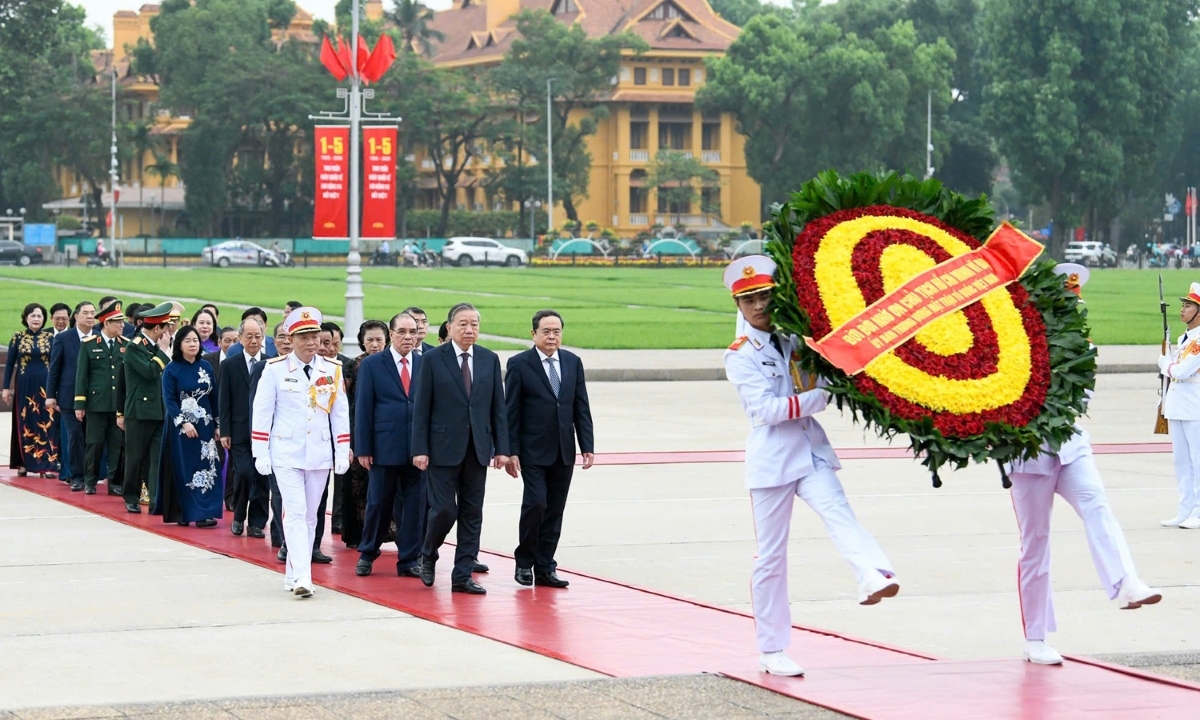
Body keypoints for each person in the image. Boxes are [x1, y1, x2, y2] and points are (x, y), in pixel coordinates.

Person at [723, 256, 898, 678]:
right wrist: (823, 396)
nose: (759, 306)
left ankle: (872, 574)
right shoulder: (741, 355)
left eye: (765, 295)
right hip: (772, 460)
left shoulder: (795, 338)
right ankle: (771, 649)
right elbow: (765, 410)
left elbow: (825, 373)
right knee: (770, 557)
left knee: (839, 512)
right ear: (739, 306)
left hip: (810, 449)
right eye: (749, 300)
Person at [1010, 264, 1162, 666]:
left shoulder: (1085, 347)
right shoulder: (1020, 343)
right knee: (1035, 546)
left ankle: (1126, 582)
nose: (1075, 306)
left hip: (1071, 447)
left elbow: (1082, 400)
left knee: (1098, 505)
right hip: (1028, 456)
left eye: (1077, 300)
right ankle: (1035, 638)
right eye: (1066, 300)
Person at [412, 302, 510, 595]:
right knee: (444, 509)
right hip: (441, 448)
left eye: (474, 325)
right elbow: (422, 408)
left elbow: (498, 408)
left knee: (472, 512)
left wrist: (501, 448)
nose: (469, 330)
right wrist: (420, 449)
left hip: (478, 448)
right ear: (450, 327)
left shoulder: (489, 359)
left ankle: (462, 575)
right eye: (463, 324)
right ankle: (428, 552)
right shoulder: (433, 359)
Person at [252, 307, 350, 598]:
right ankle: (303, 577)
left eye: (315, 336)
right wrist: (261, 452)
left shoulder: (332, 370)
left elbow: (339, 414)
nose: (311, 342)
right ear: (291, 339)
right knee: (293, 512)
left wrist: (342, 451)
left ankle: (294, 573)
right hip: (285, 451)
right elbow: (262, 412)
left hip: (319, 453)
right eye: (304, 337)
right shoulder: (275, 369)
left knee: (310, 517)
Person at [504, 309, 595, 588]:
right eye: (546, 331)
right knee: (536, 504)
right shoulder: (519, 364)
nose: (552, 336)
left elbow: (581, 405)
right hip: (531, 451)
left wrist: (587, 445)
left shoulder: (572, 362)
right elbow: (511, 411)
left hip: (563, 450)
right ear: (533, 334)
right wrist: (511, 451)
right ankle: (524, 562)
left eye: (556, 331)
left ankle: (545, 566)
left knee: (555, 509)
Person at [354, 313, 425, 577]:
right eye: (402, 331)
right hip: (384, 446)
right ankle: (368, 552)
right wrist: (363, 447)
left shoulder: (425, 362)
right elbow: (363, 407)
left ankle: (409, 559)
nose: (408, 337)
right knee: (379, 502)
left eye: (413, 332)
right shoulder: (373, 364)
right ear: (392, 334)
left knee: (414, 506)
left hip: (417, 449)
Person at [154, 324, 221, 527]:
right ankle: (185, 512)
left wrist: (218, 425)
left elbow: (214, 396)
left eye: (195, 340)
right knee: (186, 468)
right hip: (182, 429)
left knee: (207, 467)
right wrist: (184, 423)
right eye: (187, 341)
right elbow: (169, 400)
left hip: (206, 426)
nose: (192, 344)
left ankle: (204, 512)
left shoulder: (206, 366)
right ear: (179, 345)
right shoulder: (172, 369)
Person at [218, 317, 269, 538]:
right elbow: (224, 400)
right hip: (239, 431)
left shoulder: (271, 363)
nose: (254, 341)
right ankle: (239, 515)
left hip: (265, 432)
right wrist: (225, 430)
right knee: (244, 473)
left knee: (262, 476)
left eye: (258, 336)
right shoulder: (230, 365)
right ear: (240, 339)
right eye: (249, 336)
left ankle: (257, 522)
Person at [340, 319, 389, 549]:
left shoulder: (392, 365)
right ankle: (358, 535)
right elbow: (342, 401)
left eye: (379, 339)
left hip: (385, 432)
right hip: (356, 431)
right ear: (362, 342)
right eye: (370, 340)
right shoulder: (352, 366)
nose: (375, 344)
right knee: (357, 485)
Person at [120, 302, 173, 513]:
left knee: (156, 459)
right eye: (166, 327)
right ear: (157, 329)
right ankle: (130, 495)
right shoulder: (134, 347)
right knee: (135, 458)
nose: (169, 332)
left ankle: (155, 499)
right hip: (139, 413)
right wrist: (163, 353)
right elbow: (150, 371)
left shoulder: (153, 347)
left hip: (159, 411)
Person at [1158, 280, 1200, 529]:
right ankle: (1185, 510)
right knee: (1181, 462)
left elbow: (1183, 371)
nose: (1182, 309)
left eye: (1189, 305)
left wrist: (1165, 364)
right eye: (1184, 304)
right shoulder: (1185, 339)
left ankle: (1199, 511)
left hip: (1195, 407)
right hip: (1179, 405)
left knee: (1198, 461)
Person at [74, 300, 127, 495]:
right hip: (96, 404)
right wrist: (80, 403)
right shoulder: (89, 345)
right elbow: (82, 376)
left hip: (118, 405)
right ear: (106, 323)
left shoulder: (126, 345)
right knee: (94, 444)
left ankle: (114, 483)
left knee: (116, 445)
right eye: (117, 322)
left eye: (122, 321)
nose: (122, 325)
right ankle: (90, 480)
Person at [4, 303, 58, 477]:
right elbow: (10, 364)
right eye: (32, 316)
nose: (36, 319)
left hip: (46, 385)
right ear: (26, 318)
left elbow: (56, 364)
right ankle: (24, 462)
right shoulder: (17, 337)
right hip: (24, 386)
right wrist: (6, 388)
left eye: (39, 316)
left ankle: (47, 462)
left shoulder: (50, 337)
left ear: (44, 319)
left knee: (46, 422)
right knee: (24, 421)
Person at [46, 301, 95, 487]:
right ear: (76, 316)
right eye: (86, 313)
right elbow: (55, 368)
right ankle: (77, 476)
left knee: (93, 438)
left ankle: (92, 475)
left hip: (95, 397)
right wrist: (51, 395)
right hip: (69, 397)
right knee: (75, 437)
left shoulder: (99, 337)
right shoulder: (64, 338)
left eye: (92, 313)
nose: (90, 316)